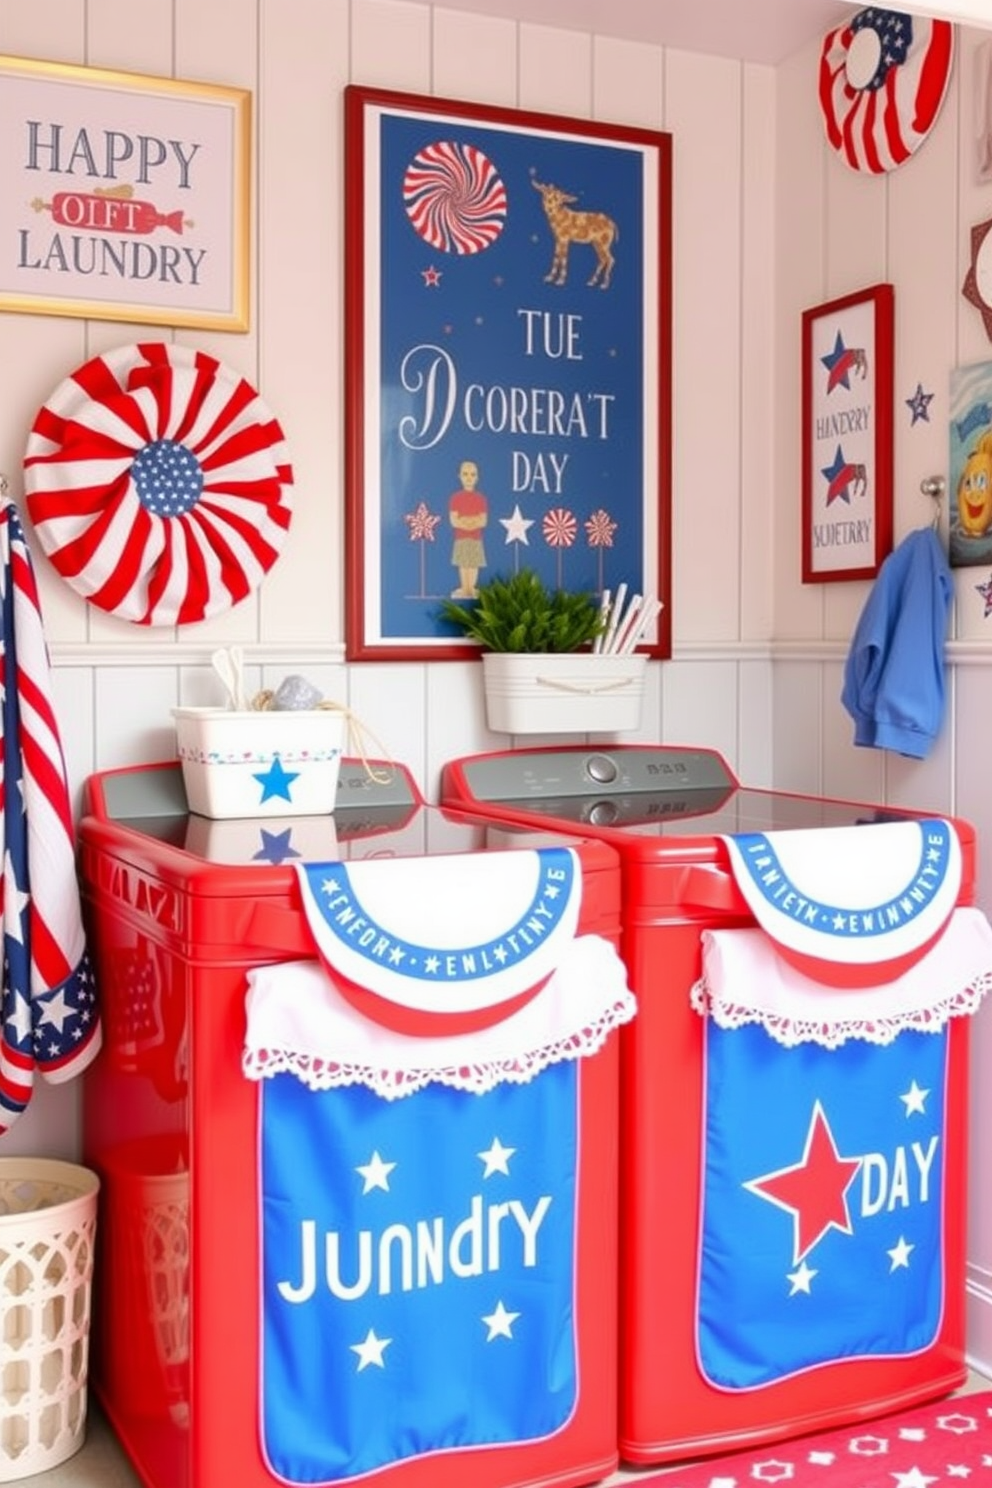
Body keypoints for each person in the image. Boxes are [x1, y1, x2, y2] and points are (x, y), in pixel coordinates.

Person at [448, 459, 488, 598]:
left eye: (472, 474)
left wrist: (466, 522)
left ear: (477, 477)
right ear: (459, 476)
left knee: (473, 564)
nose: (469, 478)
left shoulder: (480, 499)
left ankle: (471, 588)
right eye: (465, 474)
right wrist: (470, 523)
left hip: (476, 538)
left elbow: (482, 521)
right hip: (460, 537)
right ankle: (465, 588)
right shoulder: (455, 498)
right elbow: (454, 520)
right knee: (463, 563)